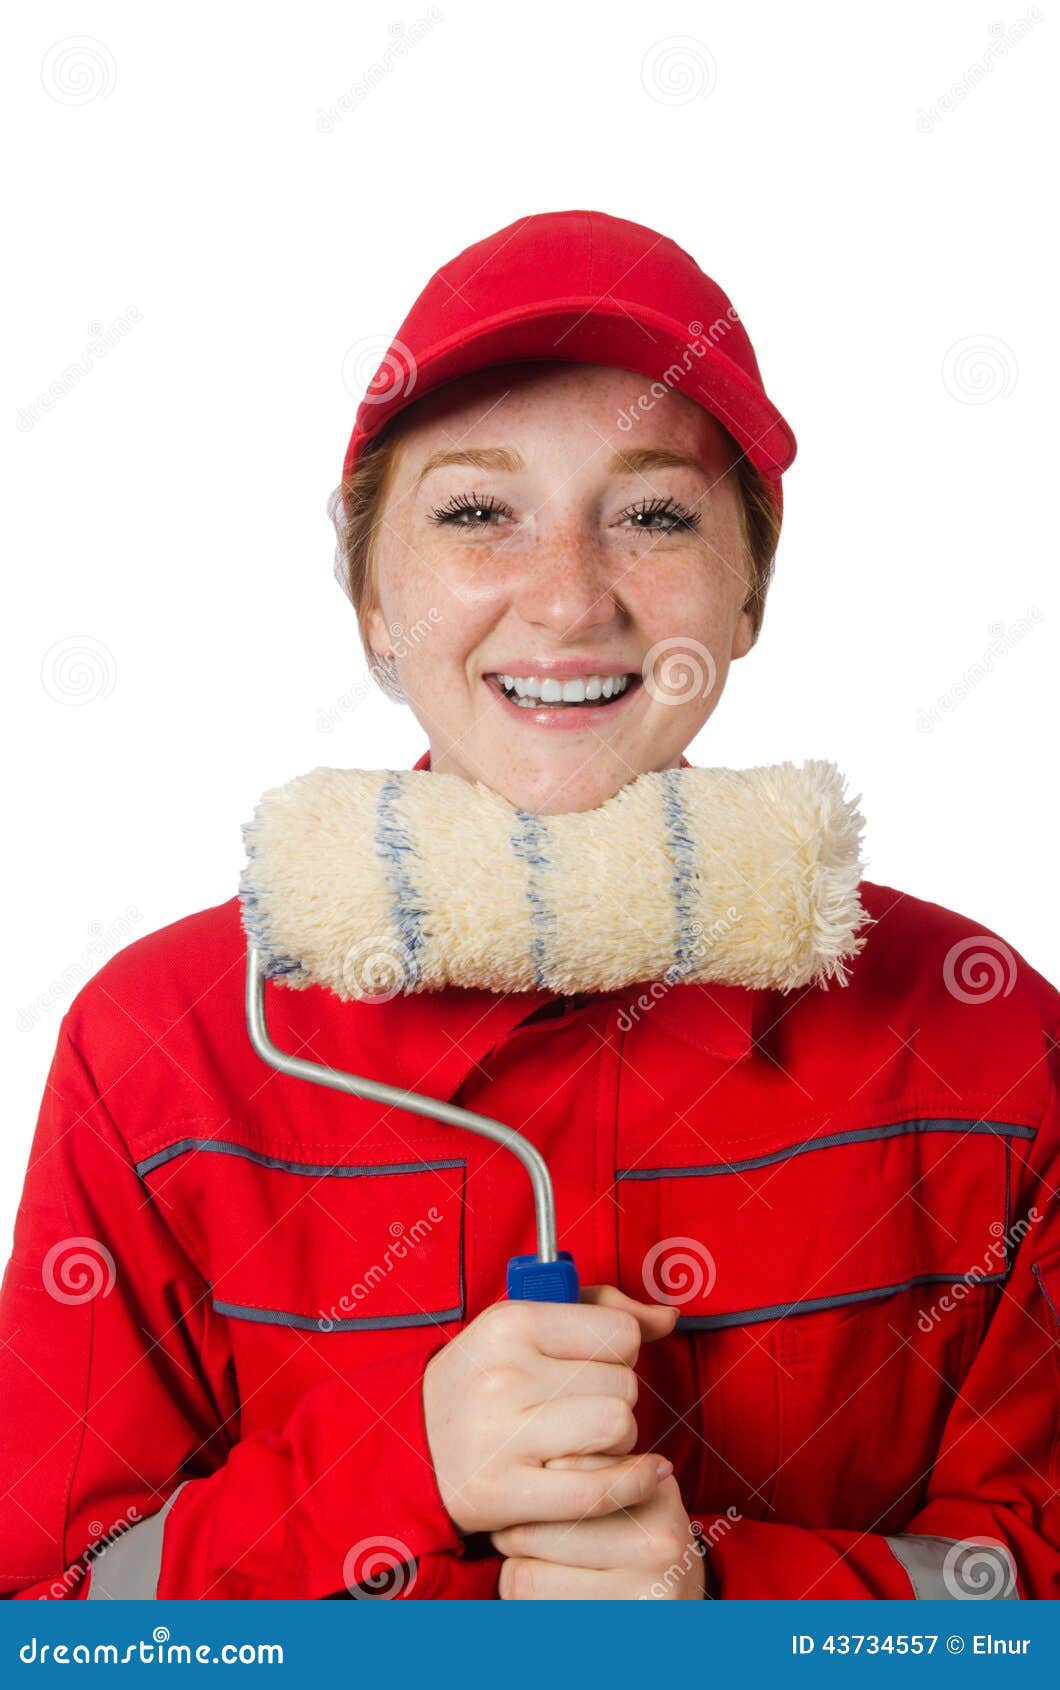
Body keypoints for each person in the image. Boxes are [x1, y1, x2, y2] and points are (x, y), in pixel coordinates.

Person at [1, 210, 1057, 1602]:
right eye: (478, 513)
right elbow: (44, 1616)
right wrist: (397, 1466)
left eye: (656, 515)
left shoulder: (983, 1034)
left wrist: (731, 1606)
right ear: (374, 600)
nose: (566, 601)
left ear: (750, 590)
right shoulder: (163, 1048)